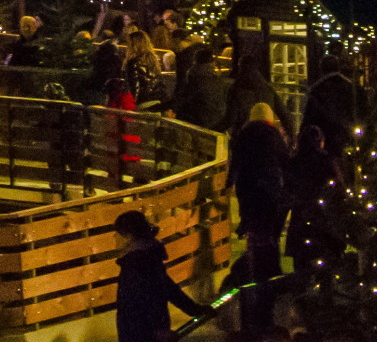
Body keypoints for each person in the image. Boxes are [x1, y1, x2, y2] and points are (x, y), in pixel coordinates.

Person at [227, 103, 290, 333]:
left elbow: (237, 162)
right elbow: (285, 160)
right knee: (270, 231)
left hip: (249, 191)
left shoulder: (244, 136)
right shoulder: (274, 136)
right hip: (271, 191)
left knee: (255, 228)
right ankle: (272, 267)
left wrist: (230, 182)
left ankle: (255, 265)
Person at [110, 209, 210, 342]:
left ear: (128, 236)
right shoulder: (147, 258)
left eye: (117, 233)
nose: (114, 237)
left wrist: (156, 331)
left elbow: (142, 302)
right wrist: (194, 310)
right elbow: (169, 289)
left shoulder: (137, 263)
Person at [284, 124, 346, 274]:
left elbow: (287, 188)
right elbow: (339, 186)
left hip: (301, 217)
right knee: (326, 259)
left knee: (302, 261)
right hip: (323, 216)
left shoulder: (294, 162)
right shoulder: (327, 160)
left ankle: (302, 288)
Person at [223, 54, 291, 141]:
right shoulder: (267, 89)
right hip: (267, 138)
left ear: (241, 67)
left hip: (244, 139)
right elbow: (285, 115)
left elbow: (230, 119)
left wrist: (211, 130)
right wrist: (292, 139)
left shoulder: (236, 90)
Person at [300, 55, 357, 158]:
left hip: (325, 134)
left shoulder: (317, 89)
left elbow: (309, 114)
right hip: (348, 133)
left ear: (322, 69)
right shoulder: (351, 87)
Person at [176, 45, 230, 132]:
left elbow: (181, 100)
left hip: (196, 124)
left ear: (195, 61)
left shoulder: (194, 79)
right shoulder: (218, 81)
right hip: (214, 123)